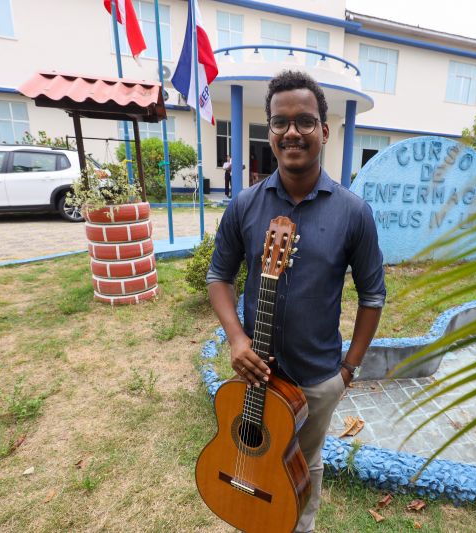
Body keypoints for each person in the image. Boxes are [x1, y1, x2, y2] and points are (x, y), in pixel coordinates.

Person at [206, 70, 386, 533]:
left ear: (324, 131)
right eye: (280, 122)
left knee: (302, 463)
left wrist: (349, 369)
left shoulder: (353, 212)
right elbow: (218, 276)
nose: (292, 132)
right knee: (249, 462)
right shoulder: (244, 205)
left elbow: (373, 296)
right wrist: (236, 339)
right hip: (255, 376)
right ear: (269, 131)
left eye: (305, 121)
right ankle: (243, 517)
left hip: (316, 376)